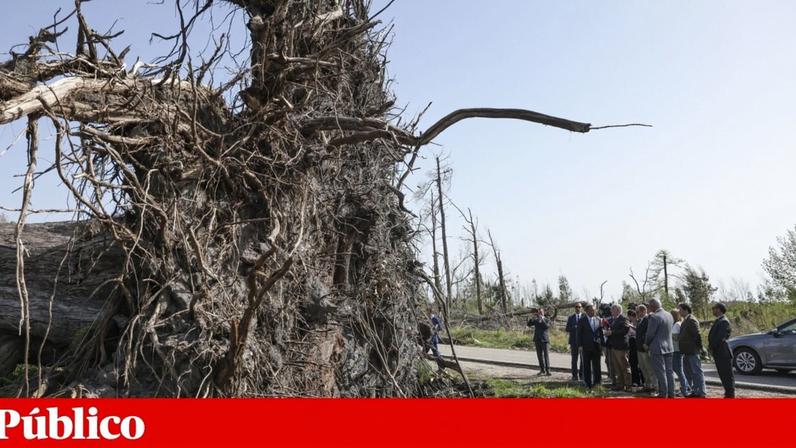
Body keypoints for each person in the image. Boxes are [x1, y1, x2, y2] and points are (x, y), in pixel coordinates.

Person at [644, 298, 675, 398]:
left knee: (661, 372)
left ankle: (663, 394)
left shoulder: (654, 317)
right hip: (669, 347)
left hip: (657, 347)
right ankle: (671, 393)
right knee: (669, 372)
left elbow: (650, 334)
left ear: (653, 306)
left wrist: (646, 344)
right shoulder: (669, 315)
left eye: (649, 306)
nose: (648, 308)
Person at [677, 302, 706, 398]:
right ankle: (695, 391)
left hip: (693, 350)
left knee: (696, 372)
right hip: (686, 351)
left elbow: (697, 335)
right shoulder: (686, 320)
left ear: (685, 310)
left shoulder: (692, 320)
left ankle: (701, 392)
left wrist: (700, 348)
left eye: (680, 309)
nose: (679, 311)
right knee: (689, 372)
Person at [708, 302, 735, 398]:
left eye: (714, 308)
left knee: (727, 375)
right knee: (723, 375)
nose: (712, 310)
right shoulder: (719, 320)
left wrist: (712, 347)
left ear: (719, 309)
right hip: (718, 352)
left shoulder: (724, 321)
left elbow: (720, 338)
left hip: (723, 353)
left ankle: (730, 395)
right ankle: (728, 394)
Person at [604, 304, 631, 390]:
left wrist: (612, 332)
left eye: (613, 309)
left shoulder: (624, 319)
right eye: (611, 309)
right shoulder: (613, 320)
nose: (611, 311)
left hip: (621, 347)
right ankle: (620, 385)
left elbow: (624, 331)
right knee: (617, 367)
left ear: (618, 310)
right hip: (613, 346)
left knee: (624, 366)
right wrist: (608, 332)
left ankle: (628, 385)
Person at [577, 304, 603, 389]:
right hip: (586, 346)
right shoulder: (582, 320)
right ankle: (587, 383)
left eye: (594, 310)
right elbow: (579, 334)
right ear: (587, 311)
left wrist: (601, 341)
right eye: (591, 310)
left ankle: (597, 383)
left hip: (596, 347)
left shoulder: (598, 319)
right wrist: (580, 345)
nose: (593, 311)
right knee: (586, 366)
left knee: (597, 366)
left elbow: (601, 332)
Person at [635, 304, 656, 392]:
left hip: (645, 347)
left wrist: (645, 343)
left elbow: (648, 333)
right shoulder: (640, 320)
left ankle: (653, 386)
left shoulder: (648, 319)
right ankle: (647, 384)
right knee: (643, 367)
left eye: (638, 311)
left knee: (649, 368)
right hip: (639, 348)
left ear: (643, 310)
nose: (637, 313)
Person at [670, 308, 691, 397]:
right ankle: (686, 386)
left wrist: (669, 335)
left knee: (679, 370)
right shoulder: (676, 324)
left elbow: (677, 337)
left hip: (677, 350)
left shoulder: (677, 324)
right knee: (677, 369)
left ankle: (685, 387)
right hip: (675, 350)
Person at [527, 308, 551, 376]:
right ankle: (542, 370)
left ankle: (548, 370)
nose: (540, 313)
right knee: (539, 356)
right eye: (539, 312)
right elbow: (529, 324)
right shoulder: (536, 320)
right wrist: (532, 317)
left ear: (543, 312)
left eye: (541, 312)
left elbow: (546, 326)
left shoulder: (546, 319)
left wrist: (542, 319)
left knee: (546, 356)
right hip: (537, 340)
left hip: (544, 340)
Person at [565, 303, 585, 382]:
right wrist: (574, 327)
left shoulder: (584, 317)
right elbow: (567, 328)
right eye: (576, 307)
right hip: (573, 341)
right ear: (574, 308)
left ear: (581, 308)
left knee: (582, 359)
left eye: (579, 307)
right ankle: (574, 375)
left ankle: (582, 375)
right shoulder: (571, 318)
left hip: (582, 342)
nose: (578, 308)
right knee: (574, 359)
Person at [627, 310, 642, 387]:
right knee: (632, 363)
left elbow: (639, 331)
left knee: (640, 364)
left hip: (637, 344)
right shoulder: (631, 323)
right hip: (631, 345)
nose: (632, 318)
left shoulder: (639, 323)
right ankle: (635, 381)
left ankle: (642, 380)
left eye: (633, 317)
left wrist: (631, 326)